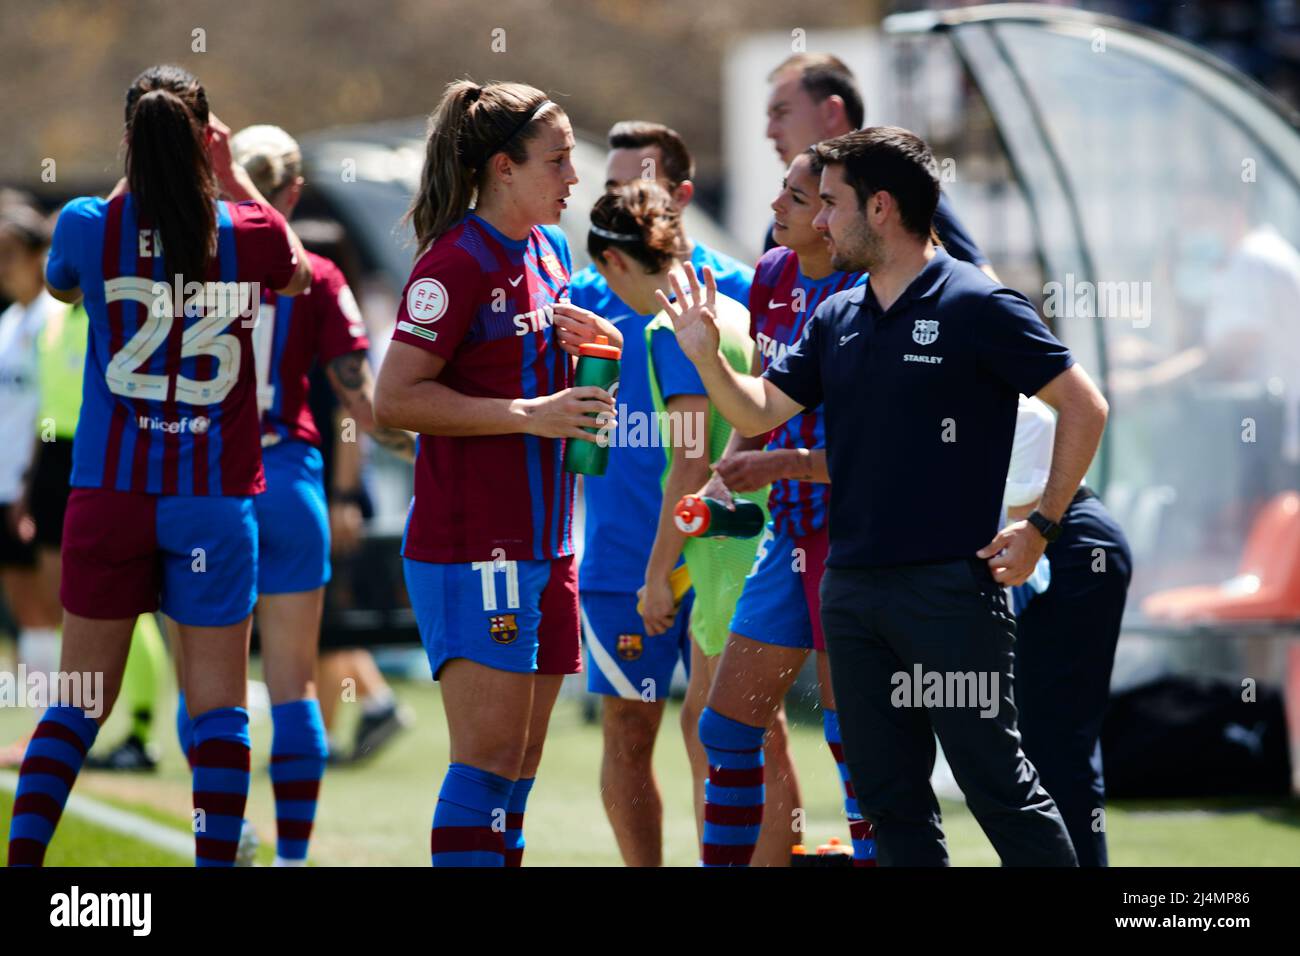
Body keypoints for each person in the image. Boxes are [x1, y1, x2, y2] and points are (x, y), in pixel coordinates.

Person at [662, 126, 1110, 866]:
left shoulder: (976, 300)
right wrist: (709, 359)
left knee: (997, 784)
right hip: (851, 591)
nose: (821, 220)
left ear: (880, 208)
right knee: (887, 798)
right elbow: (759, 413)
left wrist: (1042, 529)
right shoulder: (838, 315)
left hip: (949, 594)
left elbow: (1083, 406)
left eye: (831, 203)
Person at [6, 63, 311, 868]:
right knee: (217, 711)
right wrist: (229, 168)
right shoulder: (249, 231)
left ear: (128, 142)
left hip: (110, 494)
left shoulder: (85, 221)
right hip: (211, 500)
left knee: (76, 706)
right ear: (208, 137)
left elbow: (64, 288)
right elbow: (298, 272)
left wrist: (138, 172)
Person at [374, 78, 620, 867]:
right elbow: (393, 399)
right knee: (483, 768)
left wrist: (593, 348)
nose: (574, 178)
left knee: (517, 771)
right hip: (475, 547)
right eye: (558, 160)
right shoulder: (453, 263)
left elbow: (530, 375)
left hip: (548, 547)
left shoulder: (547, 250)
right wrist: (530, 413)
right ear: (502, 167)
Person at [169, 125, 415, 867]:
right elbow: (366, 411)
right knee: (296, 684)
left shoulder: (189, 262)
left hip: (205, 484)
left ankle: (225, 836)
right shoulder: (322, 277)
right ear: (295, 193)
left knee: (206, 686)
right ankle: (293, 858)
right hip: (291, 483)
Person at [691, 148, 875, 866]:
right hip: (788, 525)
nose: (777, 208)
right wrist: (729, 466)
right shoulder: (770, 274)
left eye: (798, 199)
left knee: (855, 739)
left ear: (835, 219)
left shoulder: (872, 293)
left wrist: (785, 463)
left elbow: (890, 451)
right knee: (727, 727)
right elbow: (764, 393)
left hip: (854, 534)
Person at [763, 53, 994, 277]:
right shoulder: (781, 232)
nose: (769, 132)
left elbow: (983, 287)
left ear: (831, 113)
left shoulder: (900, 188)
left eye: (781, 113)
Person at [0, 205, 64, 693]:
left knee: (52, 601)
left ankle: (55, 714)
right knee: (23, 598)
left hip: (34, 482)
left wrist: (29, 481)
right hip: (5, 482)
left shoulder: (55, 319)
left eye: (11, 255)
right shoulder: (9, 322)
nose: (3, 267)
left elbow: (52, 408)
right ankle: (40, 711)